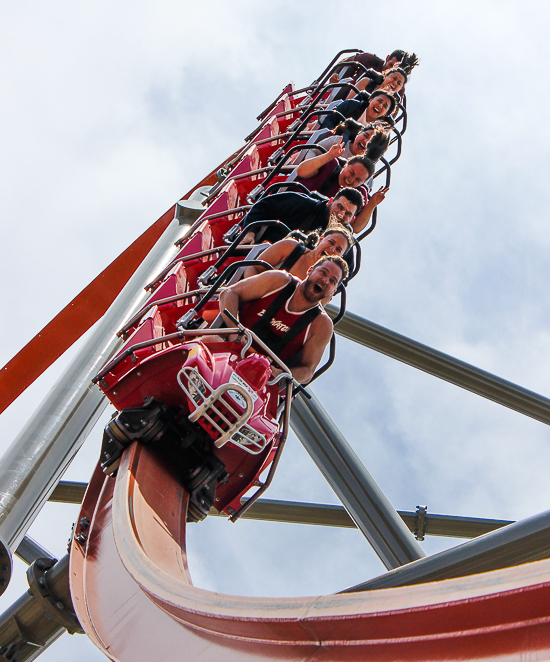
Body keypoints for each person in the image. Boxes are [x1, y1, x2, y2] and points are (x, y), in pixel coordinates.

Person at [218, 256, 348, 383]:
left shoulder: (322, 325)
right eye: (323, 272)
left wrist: (280, 374)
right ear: (310, 270)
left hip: (262, 379)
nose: (325, 280)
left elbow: (307, 370)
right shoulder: (279, 280)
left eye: (332, 281)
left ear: (333, 291)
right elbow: (229, 293)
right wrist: (235, 331)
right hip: (226, 346)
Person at [240, 187, 363, 244]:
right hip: (259, 252)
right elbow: (266, 205)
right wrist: (251, 232)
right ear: (330, 201)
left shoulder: (341, 241)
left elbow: (344, 270)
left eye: (348, 214)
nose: (341, 214)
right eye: (339, 207)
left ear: (352, 219)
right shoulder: (306, 205)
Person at [242, 226, 353, 284]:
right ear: (321, 239)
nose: (332, 249)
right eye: (331, 242)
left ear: (340, 258)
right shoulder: (290, 247)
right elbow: (253, 266)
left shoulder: (325, 282)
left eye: (338, 250)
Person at [295, 146, 375, 199]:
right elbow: (300, 171)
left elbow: (356, 225)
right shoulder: (331, 164)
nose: (351, 180)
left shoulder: (358, 194)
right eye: (351, 172)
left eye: (358, 180)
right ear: (346, 165)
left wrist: (372, 204)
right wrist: (329, 156)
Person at [320, 90, 398, 131]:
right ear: (371, 99)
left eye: (384, 106)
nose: (380, 106)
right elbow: (331, 118)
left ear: (386, 113)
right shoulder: (353, 105)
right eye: (379, 101)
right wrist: (330, 132)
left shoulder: (376, 130)